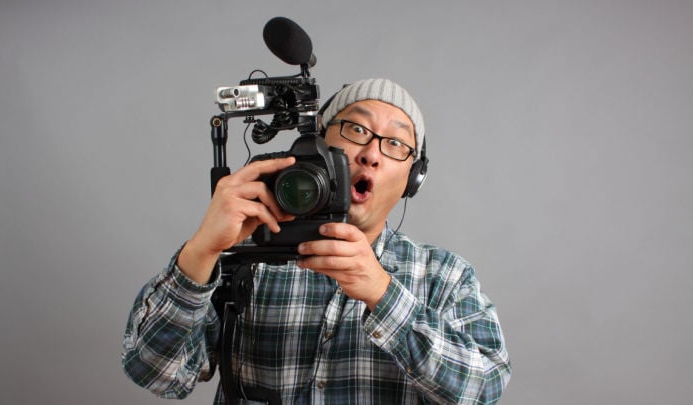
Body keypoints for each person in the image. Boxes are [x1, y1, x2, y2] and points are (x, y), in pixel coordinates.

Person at [122, 78, 511, 404]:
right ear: (321, 143)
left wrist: (383, 294)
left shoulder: (444, 277)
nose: (371, 153)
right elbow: (155, 373)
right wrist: (202, 250)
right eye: (356, 129)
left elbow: (484, 390)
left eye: (395, 143)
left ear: (413, 177)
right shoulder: (250, 257)